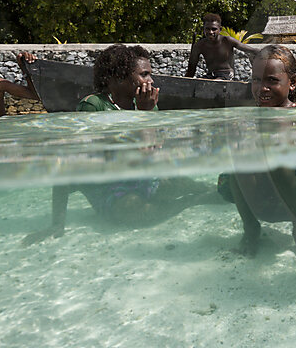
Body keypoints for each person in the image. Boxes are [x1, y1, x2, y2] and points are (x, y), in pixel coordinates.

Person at [22, 44, 217, 246]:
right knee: (134, 211)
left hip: (141, 178)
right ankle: (192, 202)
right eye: (144, 74)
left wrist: (146, 115)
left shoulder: (146, 104)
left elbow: (151, 152)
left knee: (182, 184)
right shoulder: (94, 106)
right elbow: (75, 163)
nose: (151, 81)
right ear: (118, 78)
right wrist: (57, 224)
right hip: (109, 189)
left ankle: (217, 193)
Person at [219, 45, 296, 257]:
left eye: (272, 80)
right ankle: (251, 228)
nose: (262, 88)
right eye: (256, 80)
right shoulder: (247, 119)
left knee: (277, 156)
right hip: (258, 200)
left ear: (293, 82)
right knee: (239, 156)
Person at [185, 13, 257, 79]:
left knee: (215, 83)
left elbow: (249, 49)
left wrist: (264, 52)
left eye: (214, 29)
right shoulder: (200, 45)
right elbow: (191, 69)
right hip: (211, 75)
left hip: (227, 74)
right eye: (207, 29)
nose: (210, 32)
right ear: (203, 29)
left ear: (220, 30)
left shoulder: (227, 41)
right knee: (201, 85)